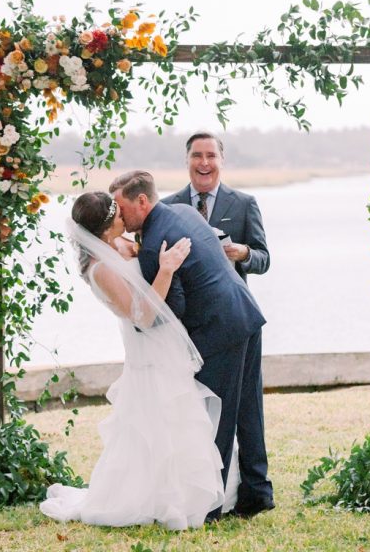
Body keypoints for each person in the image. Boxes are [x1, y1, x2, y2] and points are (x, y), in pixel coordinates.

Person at [41, 191, 228, 530]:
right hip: (145, 346)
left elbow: (142, 255)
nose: (122, 219)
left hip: (164, 342)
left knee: (176, 415)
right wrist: (167, 269)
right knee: (153, 418)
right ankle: (157, 500)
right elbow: (141, 315)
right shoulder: (99, 269)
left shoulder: (120, 243)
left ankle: (179, 496)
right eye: (116, 216)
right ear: (102, 228)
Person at [111, 170, 268, 522]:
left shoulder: (153, 246)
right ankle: (257, 494)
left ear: (142, 201)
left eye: (121, 208)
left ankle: (209, 507)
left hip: (219, 330)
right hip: (245, 312)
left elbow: (174, 308)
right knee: (247, 411)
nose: (118, 217)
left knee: (216, 418)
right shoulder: (181, 210)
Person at [161, 131, 274, 518]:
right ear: (187, 160)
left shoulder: (243, 204)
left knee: (246, 406)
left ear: (221, 160)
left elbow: (264, 258)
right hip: (191, 326)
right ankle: (205, 489)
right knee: (199, 409)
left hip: (236, 320)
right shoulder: (170, 206)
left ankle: (256, 491)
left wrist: (243, 253)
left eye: (210, 155)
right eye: (197, 156)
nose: (204, 163)